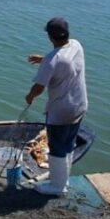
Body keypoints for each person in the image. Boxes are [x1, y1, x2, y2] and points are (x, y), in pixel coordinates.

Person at [25, 17, 88, 196]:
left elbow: (38, 87)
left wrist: (29, 96)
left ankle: (57, 187)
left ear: (50, 37)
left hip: (61, 112)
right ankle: (63, 179)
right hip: (80, 105)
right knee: (68, 144)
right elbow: (64, 60)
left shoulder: (52, 60)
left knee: (57, 148)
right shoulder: (76, 45)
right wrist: (44, 59)